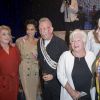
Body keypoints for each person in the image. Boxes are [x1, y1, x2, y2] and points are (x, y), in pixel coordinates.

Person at [57, 29, 96, 100]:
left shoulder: (91, 55)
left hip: (89, 96)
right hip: (71, 96)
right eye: (72, 41)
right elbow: (60, 75)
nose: (75, 43)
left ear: (84, 42)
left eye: (78, 40)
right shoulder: (65, 56)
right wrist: (72, 92)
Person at [37, 17, 68, 100]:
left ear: (51, 29)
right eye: (40, 29)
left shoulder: (61, 44)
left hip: (57, 83)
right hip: (44, 82)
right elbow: (42, 60)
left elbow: (66, 64)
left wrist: (53, 75)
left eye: (44, 29)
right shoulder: (39, 42)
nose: (42, 32)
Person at [16, 19, 40, 100]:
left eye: (32, 29)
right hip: (24, 69)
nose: (29, 31)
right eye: (28, 29)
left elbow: (42, 57)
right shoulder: (20, 41)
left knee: (34, 93)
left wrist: (37, 57)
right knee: (28, 94)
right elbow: (16, 56)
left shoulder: (39, 42)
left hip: (35, 69)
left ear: (36, 30)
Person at [0, 25, 20, 100]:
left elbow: (19, 61)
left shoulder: (14, 48)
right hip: (2, 84)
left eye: (8, 34)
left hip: (14, 82)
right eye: (4, 34)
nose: (7, 36)